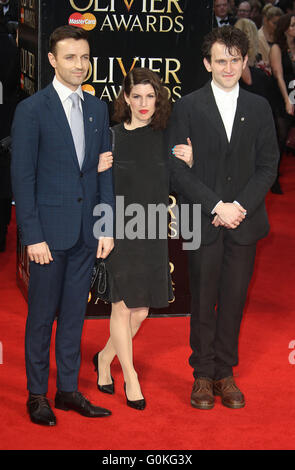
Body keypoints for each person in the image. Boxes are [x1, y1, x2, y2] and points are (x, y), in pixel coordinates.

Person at [168, 26, 279, 410]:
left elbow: (268, 166)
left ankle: (224, 373)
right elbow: (178, 171)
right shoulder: (188, 106)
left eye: (235, 60)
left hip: (244, 223)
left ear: (245, 61)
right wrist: (218, 206)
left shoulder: (259, 108)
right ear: (207, 63)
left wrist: (239, 208)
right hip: (203, 220)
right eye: (220, 60)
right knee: (201, 300)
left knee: (233, 299)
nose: (228, 66)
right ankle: (201, 373)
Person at [11, 25, 115, 426]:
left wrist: (105, 226)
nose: (79, 64)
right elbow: (23, 178)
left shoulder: (97, 107)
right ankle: (37, 394)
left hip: (87, 233)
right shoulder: (32, 110)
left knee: (75, 315)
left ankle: (68, 389)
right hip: (47, 238)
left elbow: (102, 170)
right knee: (41, 317)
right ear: (52, 60)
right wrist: (32, 235)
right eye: (70, 57)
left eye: (85, 57)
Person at [93, 68, 193, 411]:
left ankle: (105, 358)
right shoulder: (111, 137)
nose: (143, 103)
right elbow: (94, 189)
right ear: (125, 98)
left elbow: (178, 185)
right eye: (136, 95)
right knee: (122, 306)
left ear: (159, 98)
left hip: (151, 229)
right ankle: (130, 377)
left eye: (150, 96)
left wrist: (189, 163)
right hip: (119, 230)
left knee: (142, 310)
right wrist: (96, 170)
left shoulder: (166, 138)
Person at [270, 13, 295, 192]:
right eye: (293, 25)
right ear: (285, 28)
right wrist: (287, 100)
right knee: (280, 138)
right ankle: (273, 178)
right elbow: (278, 75)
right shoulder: (276, 48)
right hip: (281, 96)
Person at [258, 4, 283, 73]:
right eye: (274, 23)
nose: (277, 26)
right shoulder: (257, 38)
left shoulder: (281, 37)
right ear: (266, 20)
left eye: (279, 23)